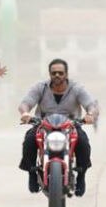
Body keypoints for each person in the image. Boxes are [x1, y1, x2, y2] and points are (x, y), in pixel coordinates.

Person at [18, 58, 98, 197]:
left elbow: (91, 105)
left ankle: (81, 175)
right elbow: (25, 103)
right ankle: (32, 172)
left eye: (60, 73)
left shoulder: (77, 89)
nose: (57, 76)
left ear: (66, 74)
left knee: (83, 142)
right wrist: (25, 113)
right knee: (29, 140)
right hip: (43, 125)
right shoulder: (40, 87)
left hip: (71, 125)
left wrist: (90, 114)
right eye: (54, 73)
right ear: (49, 74)